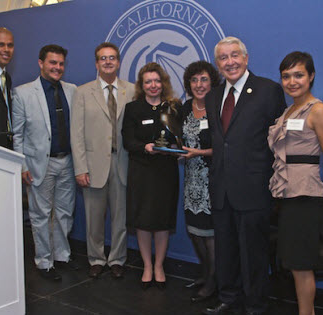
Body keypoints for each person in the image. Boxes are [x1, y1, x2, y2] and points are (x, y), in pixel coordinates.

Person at [204, 37, 286, 315]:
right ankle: (229, 297)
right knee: (226, 249)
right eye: (223, 58)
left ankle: (255, 305)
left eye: (235, 55)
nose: (230, 62)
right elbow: (220, 141)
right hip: (221, 187)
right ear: (218, 64)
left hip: (254, 187)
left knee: (253, 253)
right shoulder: (213, 95)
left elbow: (280, 142)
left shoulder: (268, 90)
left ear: (246, 58)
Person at [268, 51, 323, 315]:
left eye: (298, 75)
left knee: (301, 265)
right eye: (286, 76)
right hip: (286, 196)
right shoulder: (289, 111)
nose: (292, 81)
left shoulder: (319, 111)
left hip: (306, 196)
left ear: (311, 77)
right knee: (296, 264)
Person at [12, 45, 78, 281]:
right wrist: (22, 166)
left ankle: (61, 255)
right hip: (40, 163)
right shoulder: (23, 93)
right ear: (41, 63)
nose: (57, 68)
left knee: (64, 213)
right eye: (52, 63)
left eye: (61, 64)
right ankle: (44, 261)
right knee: (40, 215)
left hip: (68, 162)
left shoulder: (72, 91)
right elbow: (17, 135)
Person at [71, 42, 134, 279]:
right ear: (96, 63)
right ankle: (96, 258)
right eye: (103, 58)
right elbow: (76, 134)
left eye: (112, 58)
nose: (108, 62)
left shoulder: (132, 90)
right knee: (93, 218)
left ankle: (117, 258)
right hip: (93, 166)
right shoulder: (83, 92)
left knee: (121, 218)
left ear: (118, 62)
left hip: (123, 163)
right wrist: (80, 167)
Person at [122, 62, 181, 290]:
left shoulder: (174, 107)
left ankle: (159, 266)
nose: (153, 85)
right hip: (142, 171)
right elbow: (128, 140)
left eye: (157, 81)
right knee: (144, 221)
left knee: (162, 221)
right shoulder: (133, 108)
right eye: (148, 82)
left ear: (163, 83)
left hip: (166, 172)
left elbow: (180, 136)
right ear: (142, 85)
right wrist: (144, 147)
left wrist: (179, 146)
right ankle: (147, 266)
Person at [180, 61, 220, 302]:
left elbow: (226, 146)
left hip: (212, 179)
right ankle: (206, 273)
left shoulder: (219, 107)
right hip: (191, 179)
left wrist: (200, 153)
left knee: (210, 235)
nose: (199, 85)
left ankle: (215, 281)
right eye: (194, 80)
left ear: (212, 81)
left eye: (203, 79)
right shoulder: (185, 107)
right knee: (195, 232)